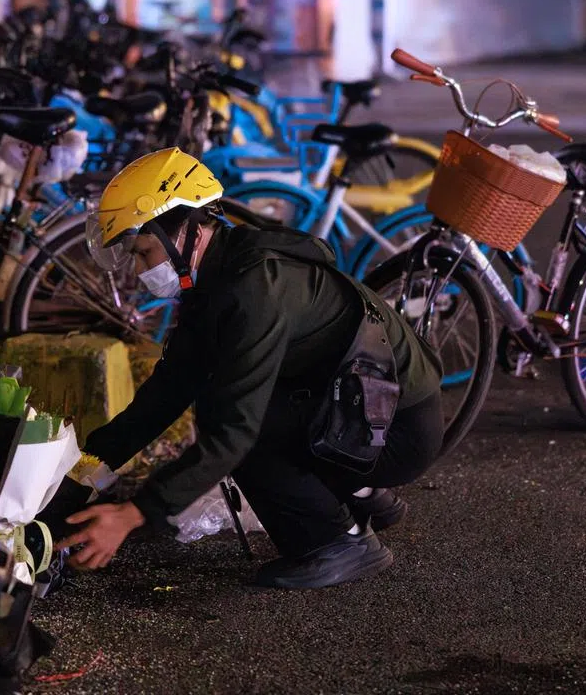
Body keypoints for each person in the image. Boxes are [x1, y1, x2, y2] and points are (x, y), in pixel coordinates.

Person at [54, 147, 444, 588]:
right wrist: (87, 469)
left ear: (187, 231)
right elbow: (170, 389)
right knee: (234, 404)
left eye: (144, 253)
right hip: (363, 407)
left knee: (238, 425)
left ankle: (339, 541)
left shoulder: (251, 290)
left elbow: (234, 433)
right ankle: (364, 494)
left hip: (397, 429)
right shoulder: (215, 279)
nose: (142, 270)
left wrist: (134, 513)